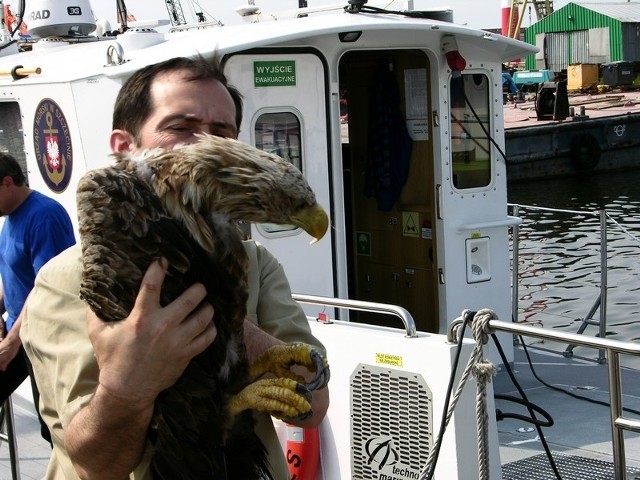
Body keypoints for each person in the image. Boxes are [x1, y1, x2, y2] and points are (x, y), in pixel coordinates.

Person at [20, 55, 329, 479]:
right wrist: (126, 386)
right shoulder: (66, 279)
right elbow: (96, 464)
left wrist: (227, 320)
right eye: (180, 128)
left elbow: (312, 408)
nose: (204, 144)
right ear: (124, 146)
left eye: (222, 133)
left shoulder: (255, 262)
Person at [0, 152, 76, 445]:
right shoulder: (10, 216)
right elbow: (12, 275)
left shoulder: (44, 216)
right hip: (21, 330)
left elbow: (46, 288)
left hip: (44, 338)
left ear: (7, 183)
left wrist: (9, 344)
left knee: (54, 427)